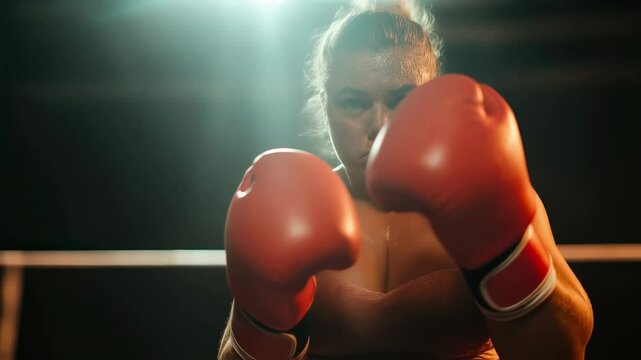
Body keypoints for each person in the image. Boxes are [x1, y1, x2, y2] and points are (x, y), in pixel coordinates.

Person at [218, 2, 594, 359]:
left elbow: (567, 349)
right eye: (354, 102)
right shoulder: (290, 207)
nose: (379, 125)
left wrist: (505, 254)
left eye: (400, 100)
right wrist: (262, 322)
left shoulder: (481, 194)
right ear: (325, 104)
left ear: (432, 96)